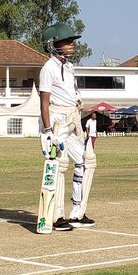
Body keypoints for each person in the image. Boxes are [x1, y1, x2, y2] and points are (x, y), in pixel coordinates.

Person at [38, 22, 97, 231]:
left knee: (87, 160)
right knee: (59, 165)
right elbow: (44, 101)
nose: (72, 45)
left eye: (72, 42)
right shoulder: (48, 68)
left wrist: (78, 99)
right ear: (53, 44)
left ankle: (77, 213)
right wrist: (47, 132)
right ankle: (56, 216)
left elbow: (72, 89)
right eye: (67, 42)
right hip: (55, 121)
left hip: (72, 119)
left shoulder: (69, 67)